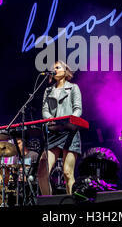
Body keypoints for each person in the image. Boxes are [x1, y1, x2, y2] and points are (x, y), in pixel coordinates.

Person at [38, 61, 83, 195]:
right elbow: (45, 110)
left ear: (65, 71)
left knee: (67, 173)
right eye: (53, 68)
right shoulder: (48, 90)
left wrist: (70, 120)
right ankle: (49, 205)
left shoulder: (73, 88)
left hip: (69, 132)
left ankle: (71, 205)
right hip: (54, 132)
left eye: (57, 67)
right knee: (42, 173)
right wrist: (51, 121)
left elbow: (78, 108)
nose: (54, 70)